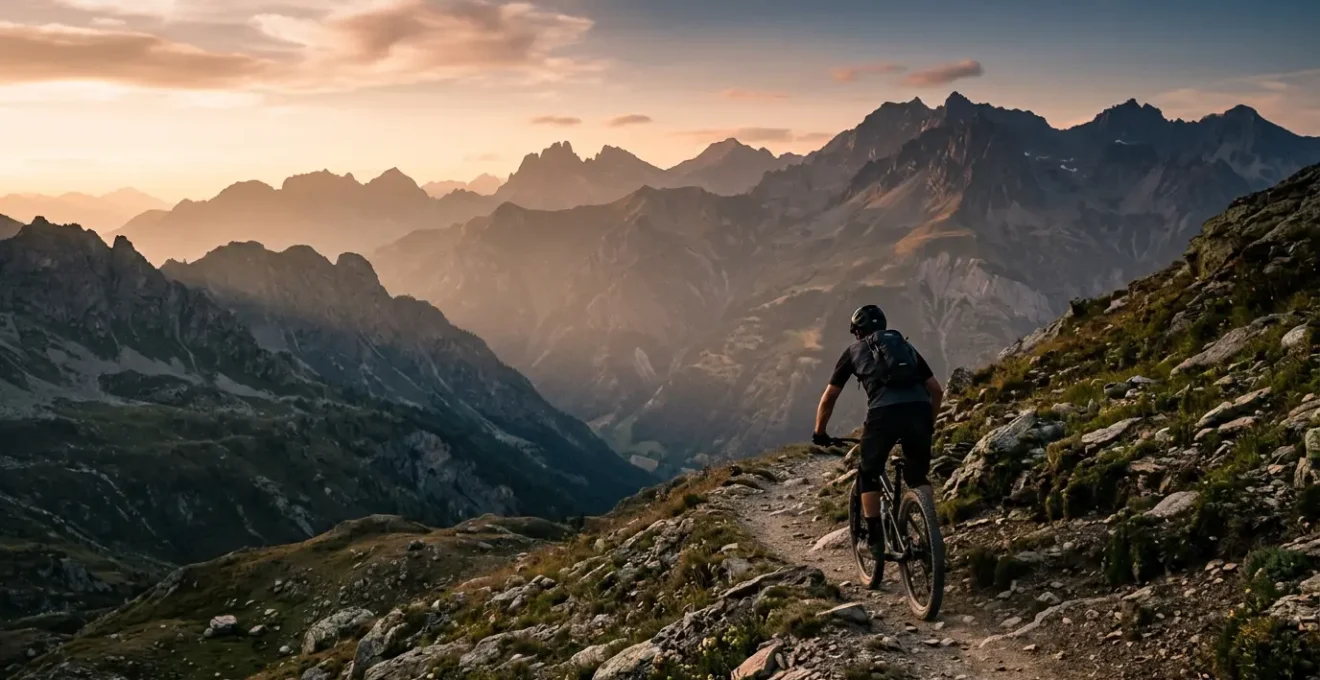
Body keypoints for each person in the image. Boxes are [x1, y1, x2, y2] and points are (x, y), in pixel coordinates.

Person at [812, 304, 944, 576]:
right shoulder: (904, 347)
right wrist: (928, 422)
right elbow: (936, 390)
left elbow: (829, 397)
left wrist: (820, 432)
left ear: (857, 332)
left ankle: (873, 539)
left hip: (883, 414)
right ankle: (932, 537)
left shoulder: (853, 352)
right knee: (918, 478)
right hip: (919, 410)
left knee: (868, 474)